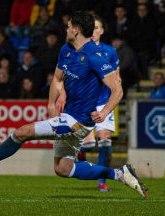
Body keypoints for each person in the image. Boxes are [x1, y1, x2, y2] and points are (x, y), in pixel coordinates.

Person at [0, 11, 147, 199]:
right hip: (68, 116)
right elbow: (58, 79)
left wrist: (104, 112)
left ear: (76, 30)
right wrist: (52, 103)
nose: (66, 29)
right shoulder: (66, 50)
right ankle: (120, 174)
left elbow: (117, 89)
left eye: (69, 27)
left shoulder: (95, 56)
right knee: (63, 168)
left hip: (79, 121)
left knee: (21, 132)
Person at [57, 15, 121, 192]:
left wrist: (112, 100)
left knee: (105, 140)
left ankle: (102, 182)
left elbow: (117, 78)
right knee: (88, 144)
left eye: (97, 28)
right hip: (83, 104)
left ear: (101, 31)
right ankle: (78, 165)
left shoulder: (109, 51)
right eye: (92, 28)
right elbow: (70, 76)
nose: (93, 31)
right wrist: (63, 94)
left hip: (103, 101)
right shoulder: (77, 49)